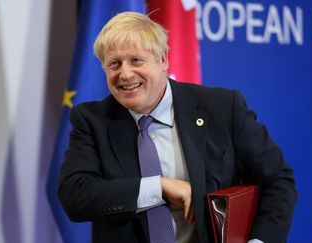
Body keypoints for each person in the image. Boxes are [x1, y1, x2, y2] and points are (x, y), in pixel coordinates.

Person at [58, 12, 297, 243]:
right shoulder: (93, 120)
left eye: (136, 60)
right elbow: (75, 195)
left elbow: (277, 181)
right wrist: (160, 187)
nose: (125, 74)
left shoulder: (222, 108)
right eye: (114, 64)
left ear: (163, 60)